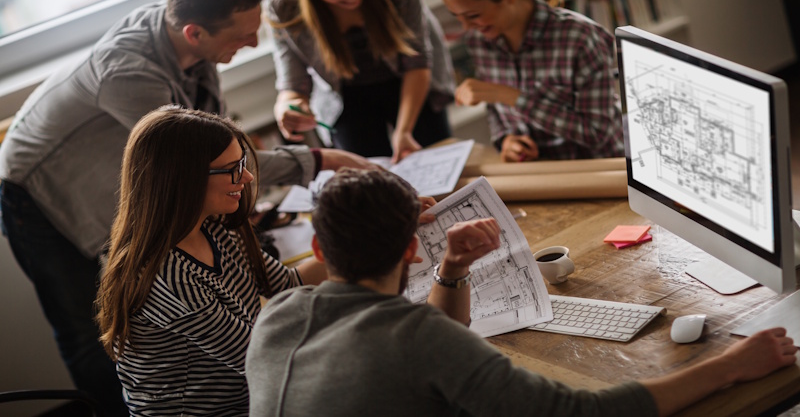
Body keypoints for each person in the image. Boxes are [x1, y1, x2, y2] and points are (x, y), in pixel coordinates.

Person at [0, 0, 370, 414]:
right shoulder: (129, 74)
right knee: (86, 334)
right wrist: (318, 160)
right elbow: (203, 156)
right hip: (34, 195)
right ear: (195, 33)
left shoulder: (193, 48)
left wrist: (372, 241)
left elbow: (220, 146)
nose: (254, 44)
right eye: (244, 35)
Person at [245, 168, 798, 417]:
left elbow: (438, 340)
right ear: (413, 249)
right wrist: (730, 365)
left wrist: (456, 267)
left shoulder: (279, 316)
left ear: (318, 250)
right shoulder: (414, 335)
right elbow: (583, 414)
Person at [95, 106, 329, 416]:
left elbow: (289, 284)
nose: (246, 177)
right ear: (184, 179)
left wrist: (384, 232)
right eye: (233, 168)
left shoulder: (212, 227)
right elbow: (263, 359)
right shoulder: (169, 279)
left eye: (243, 163)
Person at [437, 0, 625, 162]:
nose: (466, 27)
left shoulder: (580, 38)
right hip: (536, 171)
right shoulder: (479, 41)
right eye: (456, 16)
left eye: (473, 15)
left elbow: (597, 134)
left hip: (596, 168)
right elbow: (497, 112)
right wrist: (507, 140)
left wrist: (511, 96)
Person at [266, 0, 455, 161]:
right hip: (344, 96)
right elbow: (293, 84)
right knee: (366, 171)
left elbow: (417, 61)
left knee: (437, 155)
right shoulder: (283, 4)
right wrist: (287, 106)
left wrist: (404, 131)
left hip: (409, 79)